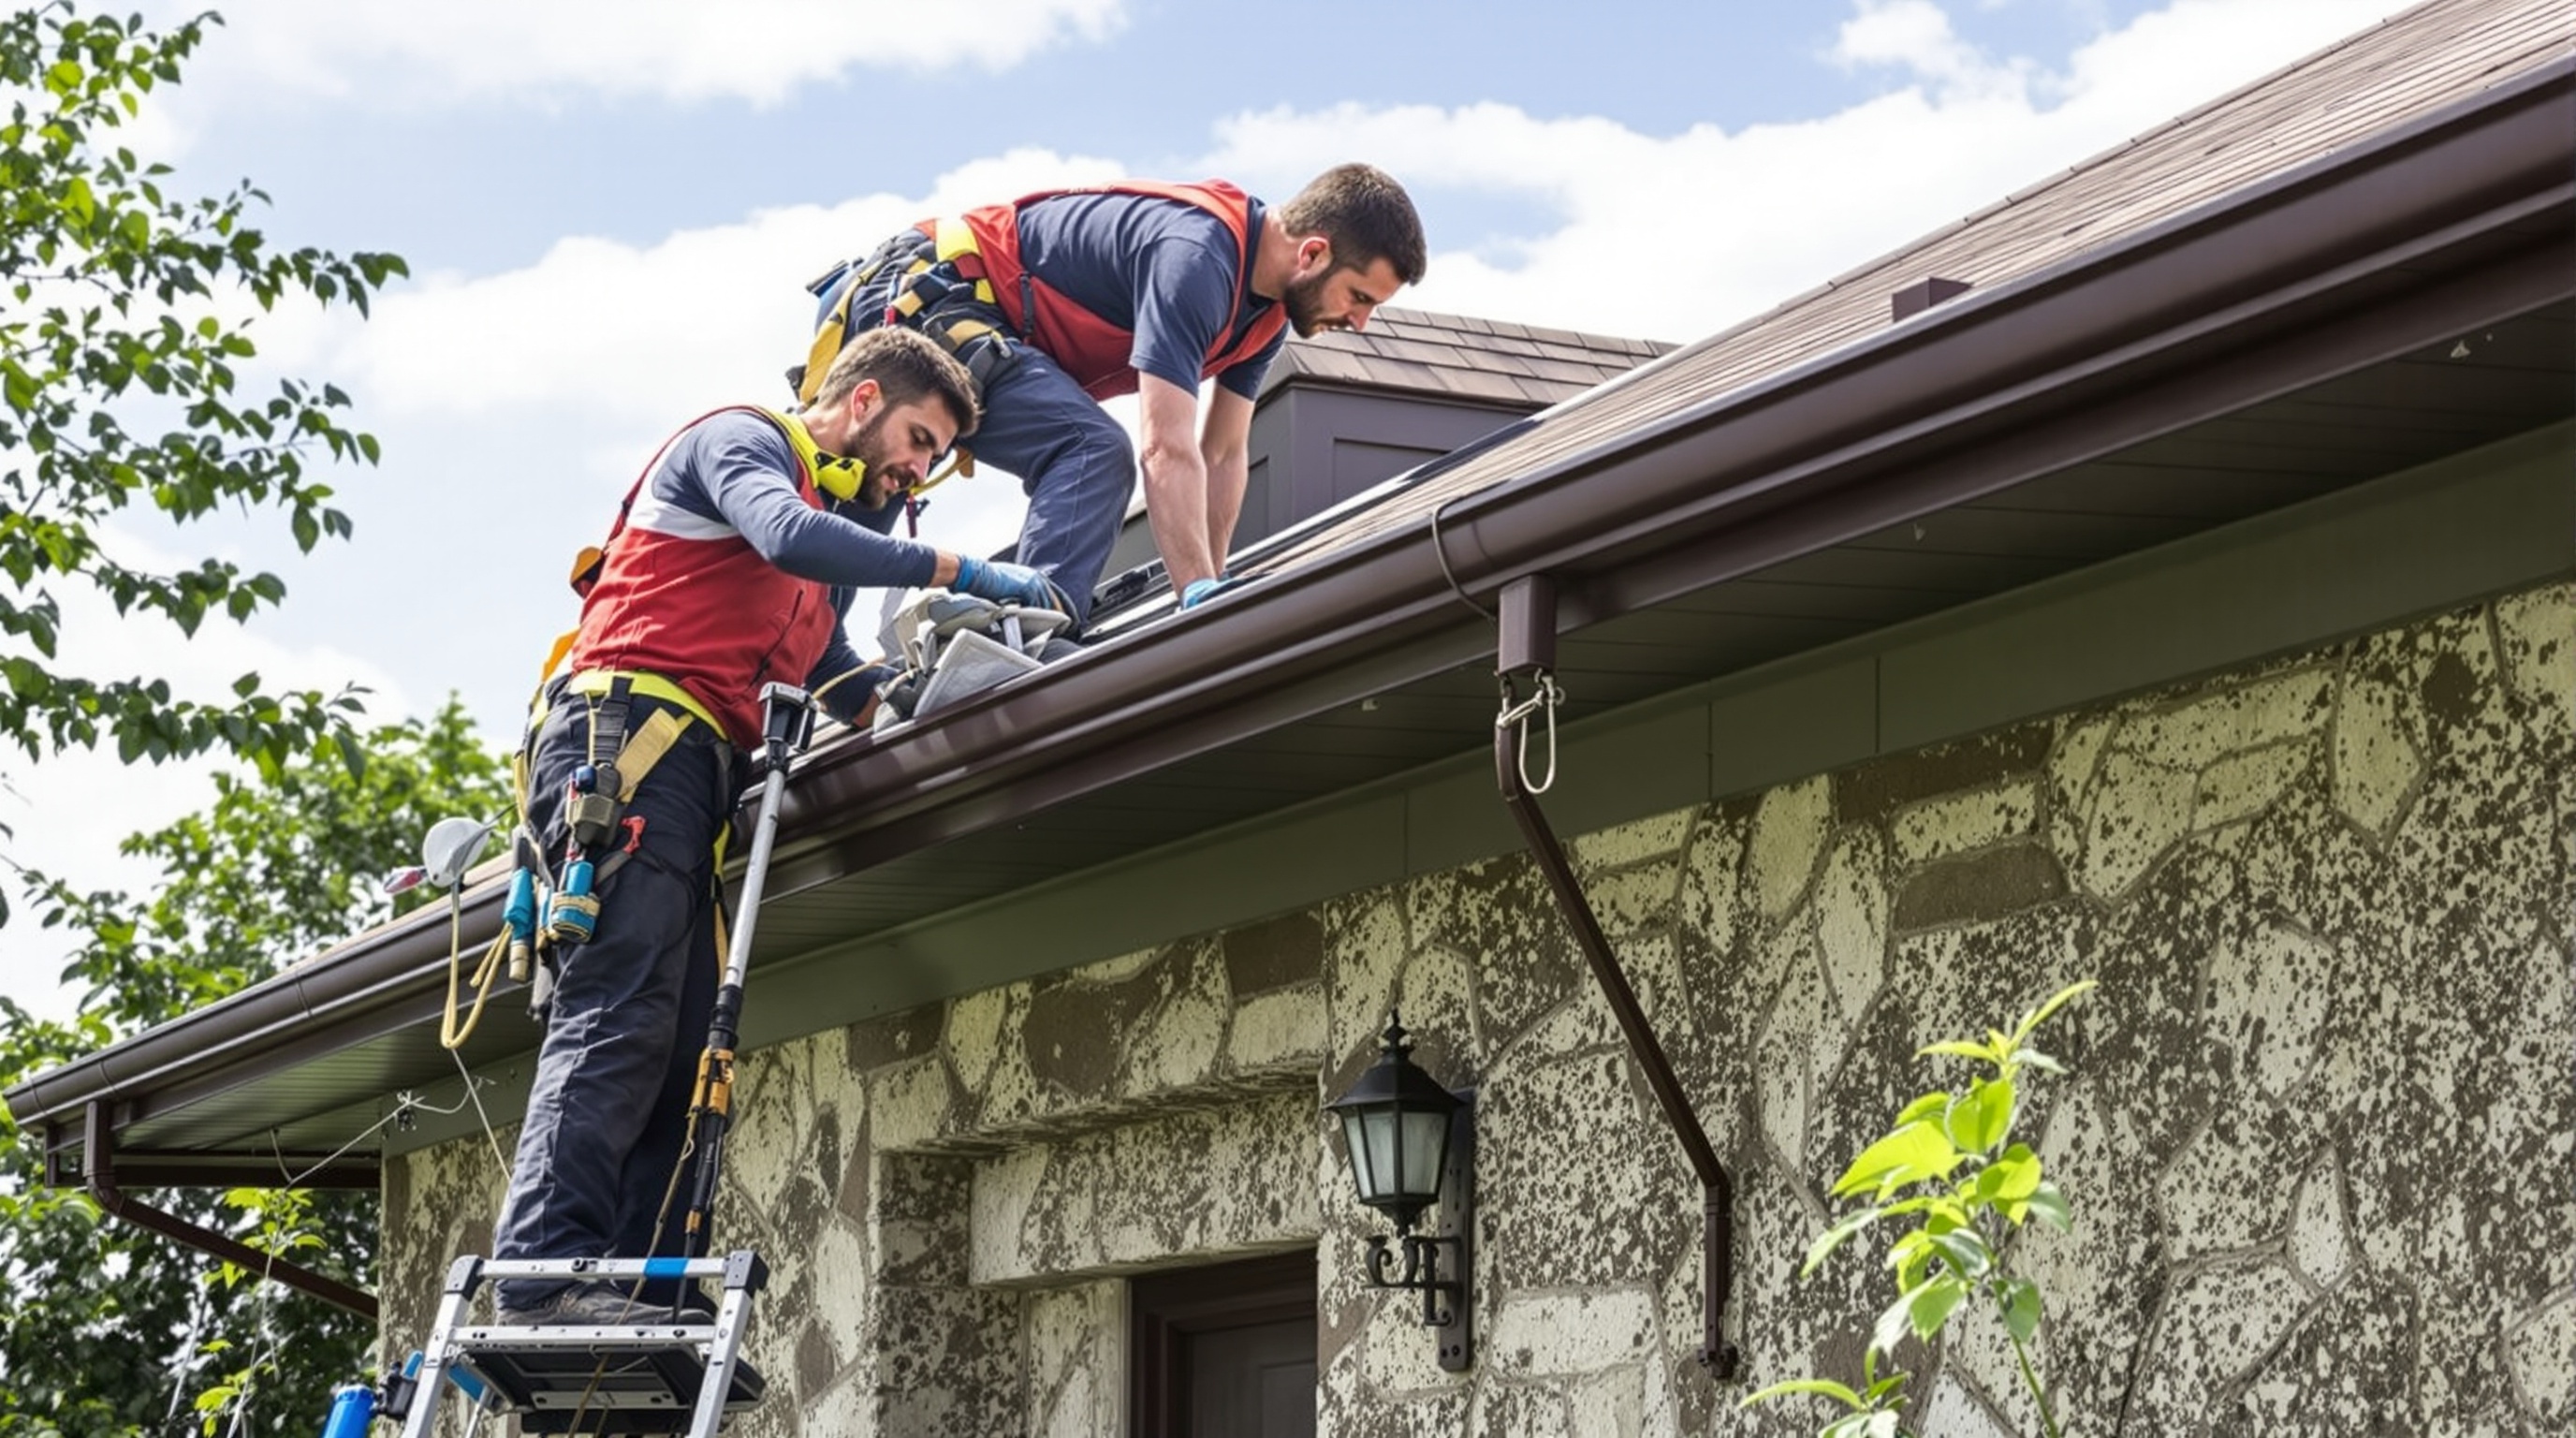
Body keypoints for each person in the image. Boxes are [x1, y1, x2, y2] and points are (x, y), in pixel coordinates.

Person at [490, 327, 1055, 1324]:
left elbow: (830, 669)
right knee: (617, 1009)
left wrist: (934, 698)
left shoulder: (817, 550)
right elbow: (790, 535)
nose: (919, 469)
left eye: (931, 459)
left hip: (690, 776)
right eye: (919, 440)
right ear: (865, 398)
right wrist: (961, 570)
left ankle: (627, 1289)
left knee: (676, 1043)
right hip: (625, 743)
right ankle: (542, 1277)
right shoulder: (745, 446)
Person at [799, 163, 1427, 629]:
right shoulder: (1197, 258)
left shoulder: (1264, 316)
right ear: (1313, 253)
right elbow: (1165, 448)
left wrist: (1211, 581)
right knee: (1091, 448)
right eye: (1360, 297)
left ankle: (822, 666)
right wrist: (1196, 595)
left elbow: (1222, 456)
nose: (1362, 322)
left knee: (853, 536)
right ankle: (1031, 622)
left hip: (985, 324)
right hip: (934, 294)